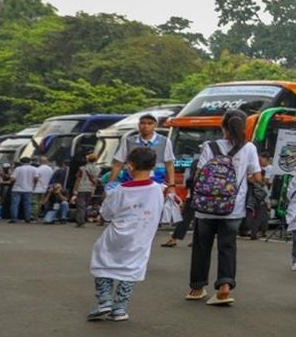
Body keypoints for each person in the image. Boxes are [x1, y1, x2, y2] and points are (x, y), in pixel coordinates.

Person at [185, 108, 262, 306]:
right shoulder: (249, 148)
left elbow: (200, 173)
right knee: (227, 247)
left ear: (223, 126)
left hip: (205, 207)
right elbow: (257, 176)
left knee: (202, 247)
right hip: (233, 207)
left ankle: (197, 287)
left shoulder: (209, 146)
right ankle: (224, 288)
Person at [87, 147, 164, 322]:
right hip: (141, 238)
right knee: (131, 269)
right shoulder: (158, 189)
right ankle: (120, 308)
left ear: (130, 166)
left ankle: (104, 301)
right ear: (153, 166)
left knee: (101, 262)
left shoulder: (120, 190)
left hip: (116, 235)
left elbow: (106, 213)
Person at [109, 113, 175, 191]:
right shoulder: (128, 141)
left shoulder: (164, 141)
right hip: (130, 183)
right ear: (138, 125)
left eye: (150, 123)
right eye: (142, 123)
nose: (145, 126)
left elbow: (169, 164)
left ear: (155, 125)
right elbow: (118, 164)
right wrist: (110, 185)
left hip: (156, 183)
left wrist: (171, 185)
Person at [74, 153, 101, 227]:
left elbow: (78, 179)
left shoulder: (82, 168)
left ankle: (80, 221)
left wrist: (75, 189)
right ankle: (83, 219)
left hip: (82, 188)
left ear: (87, 160)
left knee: (80, 205)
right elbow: (96, 179)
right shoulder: (98, 168)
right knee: (85, 205)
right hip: (91, 188)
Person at [9, 157, 38, 223]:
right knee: (28, 204)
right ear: (29, 161)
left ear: (21, 162)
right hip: (28, 189)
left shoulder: (18, 169)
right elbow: (36, 178)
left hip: (17, 188)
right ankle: (27, 218)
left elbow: (12, 179)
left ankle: (14, 218)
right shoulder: (34, 169)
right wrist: (33, 186)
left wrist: (12, 182)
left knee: (15, 204)